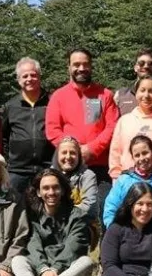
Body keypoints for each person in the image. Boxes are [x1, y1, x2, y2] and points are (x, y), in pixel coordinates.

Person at [12, 168, 94, 276]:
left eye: (55, 187)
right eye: (46, 188)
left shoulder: (77, 216)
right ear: (38, 192)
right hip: (42, 272)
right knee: (18, 260)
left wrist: (54, 269)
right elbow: (32, 245)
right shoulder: (33, 217)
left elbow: (73, 248)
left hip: (66, 275)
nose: (51, 192)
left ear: (63, 190)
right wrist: (43, 269)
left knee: (86, 262)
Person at [46, 48, 120, 203]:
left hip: (99, 166)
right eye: (76, 64)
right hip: (67, 167)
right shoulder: (58, 96)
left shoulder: (104, 95)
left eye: (85, 64)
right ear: (69, 67)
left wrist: (92, 149)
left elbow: (112, 127)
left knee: (99, 213)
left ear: (91, 66)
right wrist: (73, 150)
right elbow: (53, 130)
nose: (81, 68)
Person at [108, 75, 152, 179]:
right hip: (128, 182)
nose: (146, 95)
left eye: (151, 91)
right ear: (136, 93)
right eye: (142, 90)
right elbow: (115, 153)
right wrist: (117, 178)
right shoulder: (124, 121)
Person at [2, 57, 54, 191]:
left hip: (47, 169)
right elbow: (3, 137)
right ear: (19, 80)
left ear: (39, 77)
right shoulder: (11, 106)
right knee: (14, 208)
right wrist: (9, 160)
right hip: (17, 171)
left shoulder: (52, 102)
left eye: (33, 75)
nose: (29, 79)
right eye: (25, 76)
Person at [51, 136, 100, 221]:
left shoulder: (88, 176)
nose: (68, 157)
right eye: (64, 152)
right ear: (57, 155)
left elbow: (90, 207)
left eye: (73, 153)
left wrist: (63, 215)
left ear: (79, 156)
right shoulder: (49, 176)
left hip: (81, 224)